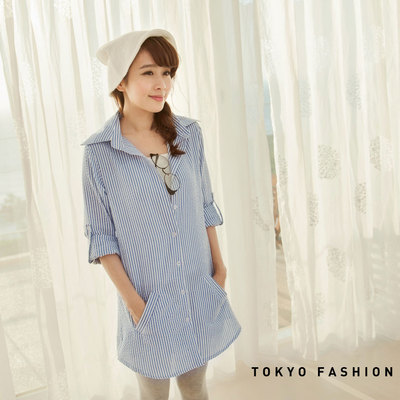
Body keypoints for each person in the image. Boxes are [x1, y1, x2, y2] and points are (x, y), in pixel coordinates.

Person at [81, 29, 241, 400]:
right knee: (154, 394)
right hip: (148, 301)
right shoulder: (100, 153)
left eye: (167, 73)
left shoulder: (188, 134)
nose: (162, 84)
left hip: (197, 288)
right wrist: (135, 305)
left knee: (196, 388)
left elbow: (205, 206)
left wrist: (219, 271)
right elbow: (102, 239)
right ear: (121, 81)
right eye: (149, 72)